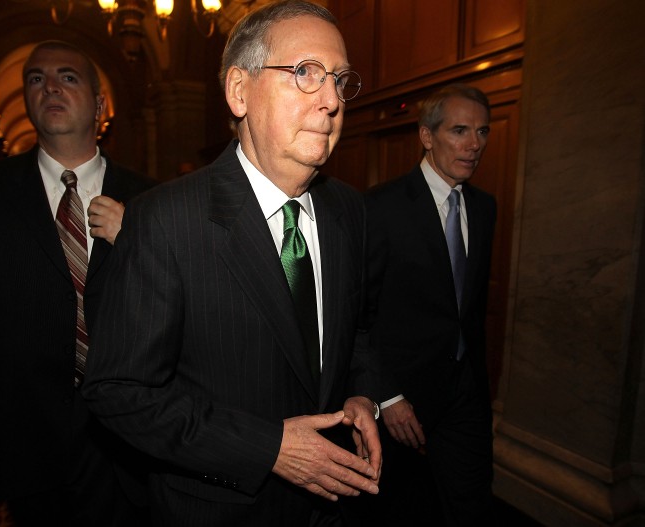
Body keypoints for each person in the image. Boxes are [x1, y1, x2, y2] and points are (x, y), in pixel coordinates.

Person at [82, 1, 381, 526]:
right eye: (306, 73)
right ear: (239, 91)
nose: (332, 100)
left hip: (333, 506)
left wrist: (360, 394)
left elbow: (350, 330)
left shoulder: (349, 209)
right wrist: (267, 448)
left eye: (340, 79)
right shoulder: (166, 220)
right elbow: (119, 392)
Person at [0, 40, 155, 526]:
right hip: (25, 442)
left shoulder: (152, 199)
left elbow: (180, 319)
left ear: (99, 104)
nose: (50, 86)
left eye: (68, 76)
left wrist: (142, 244)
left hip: (133, 442)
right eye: (35, 78)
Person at [363, 83, 497, 526]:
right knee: (401, 509)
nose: (473, 145)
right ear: (426, 136)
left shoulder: (484, 207)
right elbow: (359, 315)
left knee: (470, 504)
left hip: (465, 392)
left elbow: (466, 307)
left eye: (482, 132)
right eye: (460, 130)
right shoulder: (381, 207)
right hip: (402, 398)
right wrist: (387, 395)